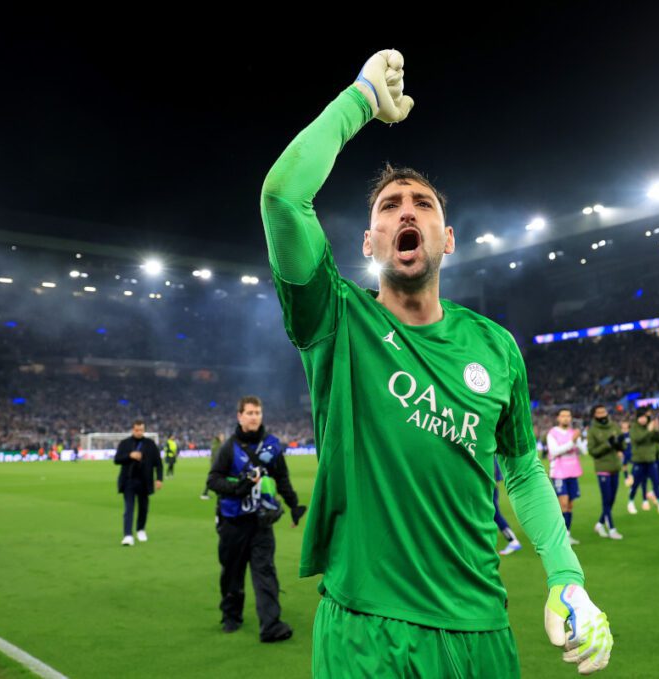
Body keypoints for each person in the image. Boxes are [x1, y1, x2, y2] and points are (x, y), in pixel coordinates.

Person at [260, 49, 611, 676]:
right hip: (367, 630)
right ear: (369, 244)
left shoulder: (496, 347)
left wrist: (566, 575)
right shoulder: (337, 320)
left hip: (481, 628)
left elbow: (523, 469)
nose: (406, 211)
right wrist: (361, 101)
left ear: (447, 238)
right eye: (389, 206)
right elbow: (283, 197)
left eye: (421, 203)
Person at [206, 396, 307, 640]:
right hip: (233, 523)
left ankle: (271, 626)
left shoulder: (271, 446)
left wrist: (294, 506)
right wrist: (239, 487)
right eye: (249, 412)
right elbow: (213, 480)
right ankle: (231, 616)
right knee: (232, 573)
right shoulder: (228, 448)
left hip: (261, 523)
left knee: (266, 573)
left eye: (258, 412)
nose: (254, 417)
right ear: (239, 416)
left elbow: (282, 478)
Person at [114, 420, 163, 546]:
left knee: (143, 508)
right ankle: (128, 535)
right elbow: (117, 459)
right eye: (136, 430)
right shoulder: (125, 443)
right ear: (132, 429)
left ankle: (140, 529)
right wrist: (130, 455)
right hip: (128, 480)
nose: (139, 432)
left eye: (141, 430)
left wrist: (159, 479)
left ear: (144, 430)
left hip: (145, 481)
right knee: (128, 508)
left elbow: (158, 463)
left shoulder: (150, 444)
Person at [547, 408, 584, 545]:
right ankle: (560, 534)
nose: (566, 418)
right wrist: (571, 442)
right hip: (559, 473)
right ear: (558, 418)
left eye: (568, 416)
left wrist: (577, 439)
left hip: (573, 472)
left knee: (570, 505)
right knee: (562, 503)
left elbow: (584, 451)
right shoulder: (552, 433)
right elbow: (554, 451)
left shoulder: (573, 433)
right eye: (563, 416)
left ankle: (567, 534)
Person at [587, 404, 624, 540]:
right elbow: (593, 451)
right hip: (603, 468)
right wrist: (607, 444)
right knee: (606, 500)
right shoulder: (592, 431)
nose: (602, 414)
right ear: (595, 415)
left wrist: (619, 444)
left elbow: (622, 445)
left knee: (611, 500)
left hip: (615, 467)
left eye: (604, 411)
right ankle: (612, 529)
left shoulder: (614, 426)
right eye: (599, 412)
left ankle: (600, 523)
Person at [627, 408, 659, 515]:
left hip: (651, 460)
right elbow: (638, 439)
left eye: (644, 417)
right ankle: (631, 502)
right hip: (639, 461)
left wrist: (656, 430)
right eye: (640, 417)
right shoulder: (634, 428)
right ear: (637, 418)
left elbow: (658, 439)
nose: (643, 420)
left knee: (656, 482)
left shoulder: (649, 427)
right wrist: (649, 430)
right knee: (636, 483)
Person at [493, 458, 522, 555]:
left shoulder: (489, 455)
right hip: (487, 489)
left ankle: (513, 541)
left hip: (488, 490)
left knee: (495, 514)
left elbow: (496, 478)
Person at [201, 433, 224, 500]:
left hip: (215, 464)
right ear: (219, 437)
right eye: (222, 437)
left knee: (217, 479)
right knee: (214, 479)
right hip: (216, 465)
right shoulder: (218, 445)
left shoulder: (215, 444)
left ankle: (219, 493)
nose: (223, 438)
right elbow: (217, 455)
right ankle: (204, 494)